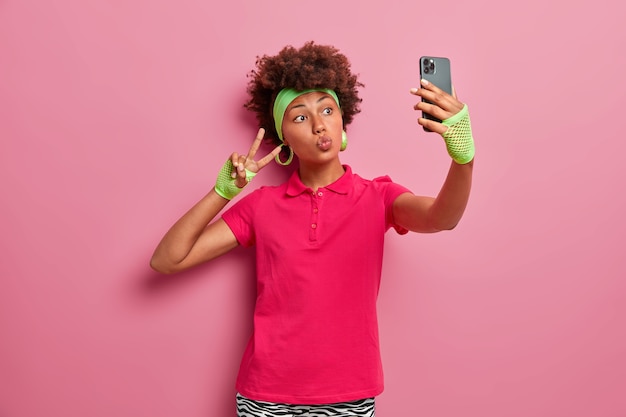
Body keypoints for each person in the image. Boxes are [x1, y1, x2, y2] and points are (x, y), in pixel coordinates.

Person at [150, 41, 475, 417]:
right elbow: (167, 260)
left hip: (348, 395)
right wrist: (223, 192)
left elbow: (442, 218)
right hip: (265, 396)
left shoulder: (378, 197)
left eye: (327, 109)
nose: (319, 123)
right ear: (283, 136)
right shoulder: (261, 206)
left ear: (342, 123)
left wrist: (463, 156)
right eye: (300, 116)